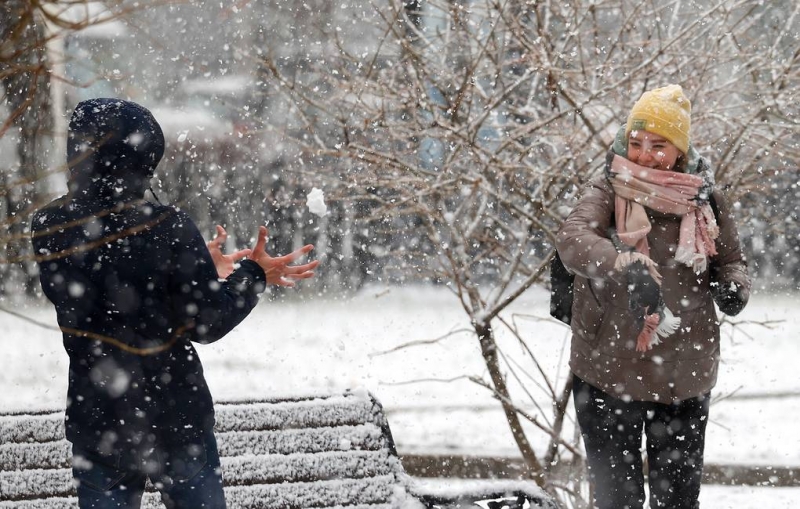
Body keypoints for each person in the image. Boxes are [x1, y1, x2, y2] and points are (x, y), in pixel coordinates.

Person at [31, 98, 319, 508]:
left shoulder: (49, 227)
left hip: (98, 423)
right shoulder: (167, 228)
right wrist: (252, 275)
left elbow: (107, 292)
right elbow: (206, 322)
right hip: (174, 421)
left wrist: (193, 270)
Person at [555, 85, 750, 509]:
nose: (643, 154)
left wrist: (733, 287)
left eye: (658, 145)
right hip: (608, 369)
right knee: (616, 502)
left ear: (680, 149)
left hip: (684, 371)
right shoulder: (609, 187)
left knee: (678, 502)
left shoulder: (705, 200)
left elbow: (732, 260)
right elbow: (572, 239)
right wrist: (623, 263)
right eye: (636, 142)